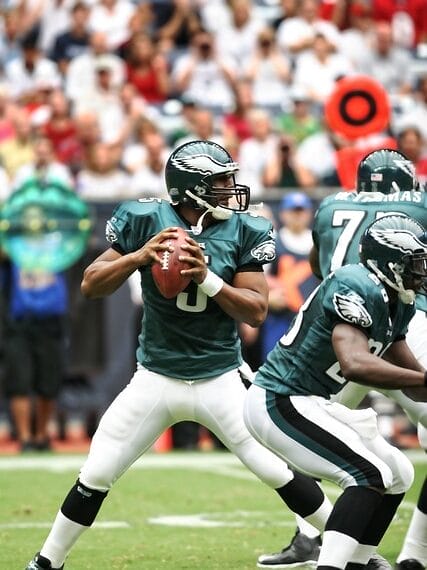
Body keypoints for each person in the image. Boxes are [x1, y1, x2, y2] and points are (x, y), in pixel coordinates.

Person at [25, 140, 334, 569]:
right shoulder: (144, 219)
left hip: (220, 376)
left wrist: (208, 279)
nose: (231, 189)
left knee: (275, 468)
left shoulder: (244, 229)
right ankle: (46, 562)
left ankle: (357, 549)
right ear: (191, 190)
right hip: (156, 377)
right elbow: (91, 283)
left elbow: (257, 309)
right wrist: (138, 256)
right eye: (220, 182)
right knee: (96, 472)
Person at [259, 149, 427, 569]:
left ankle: (356, 558)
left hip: (319, 389)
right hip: (286, 397)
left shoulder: (395, 298)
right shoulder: (359, 285)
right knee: (369, 473)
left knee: (398, 473)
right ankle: (340, 562)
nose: (421, 273)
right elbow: (354, 363)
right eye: (414, 264)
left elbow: (411, 377)